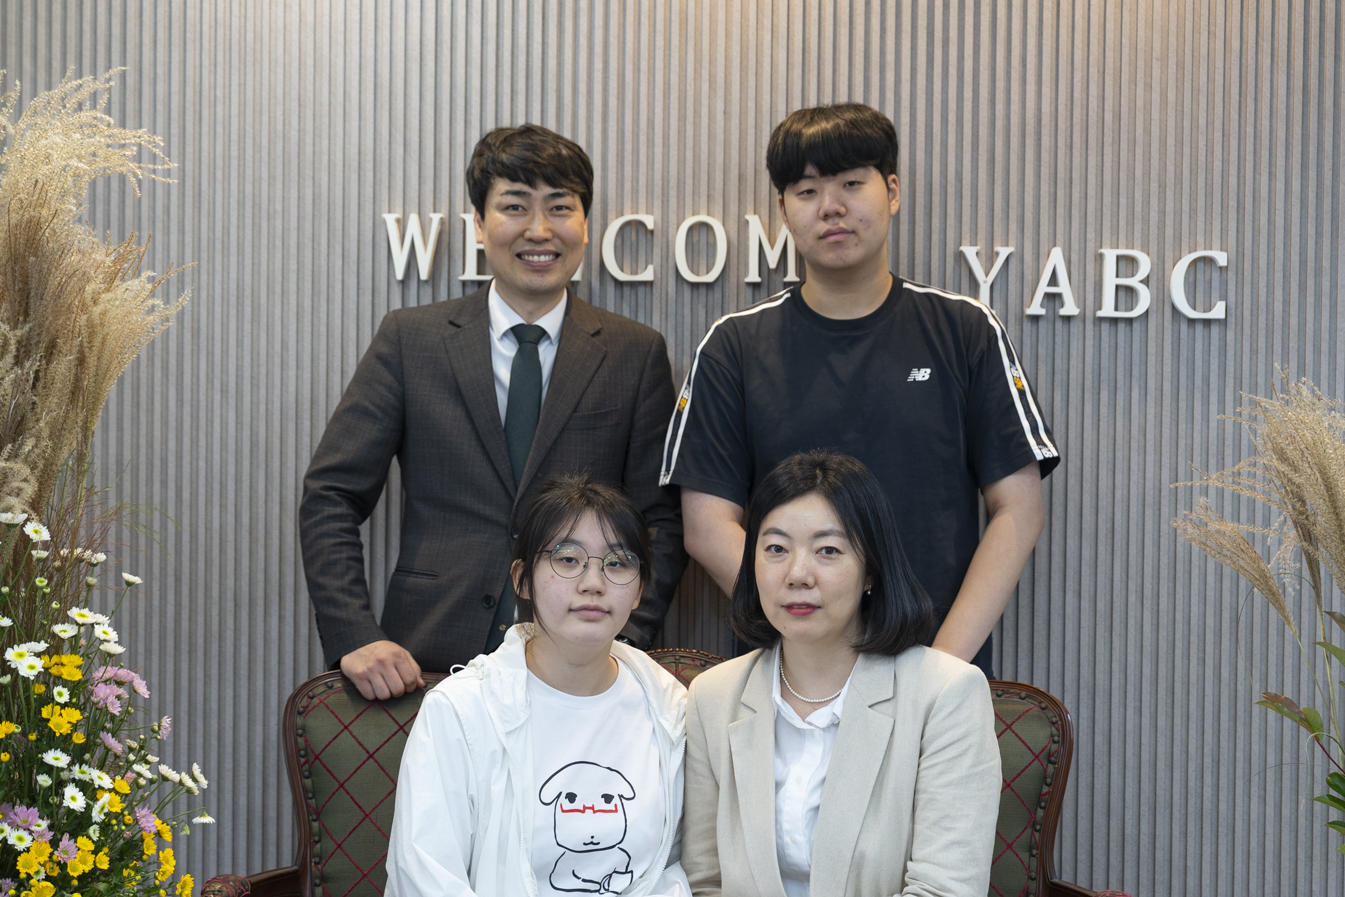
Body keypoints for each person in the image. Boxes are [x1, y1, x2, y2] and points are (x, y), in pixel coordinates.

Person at [661, 102, 1058, 674]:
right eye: (807, 191)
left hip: (936, 669)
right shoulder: (734, 345)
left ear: (891, 191)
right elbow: (706, 527)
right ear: (783, 209)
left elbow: (1018, 511)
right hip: (789, 671)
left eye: (851, 183)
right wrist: (811, 636)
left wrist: (937, 670)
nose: (831, 207)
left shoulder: (965, 330)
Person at [301, 124, 687, 699]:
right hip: (428, 663)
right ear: (479, 224)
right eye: (515, 206)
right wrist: (353, 633)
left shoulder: (635, 353)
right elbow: (331, 494)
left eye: (560, 207)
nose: (539, 229)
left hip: (584, 668)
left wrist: (625, 635)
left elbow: (660, 522)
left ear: (585, 224)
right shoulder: (412, 340)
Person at [680, 451, 1001, 897]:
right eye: (776, 549)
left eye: (828, 550)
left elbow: (945, 889)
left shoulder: (946, 693)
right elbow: (703, 882)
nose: (797, 574)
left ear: (871, 571)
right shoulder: (712, 697)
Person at [386, 474, 691, 897]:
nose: (593, 582)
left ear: (639, 590)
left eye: (618, 563)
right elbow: (424, 877)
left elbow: (680, 869)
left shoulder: (672, 709)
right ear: (522, 579)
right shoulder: (460, 712)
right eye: (567, 559)